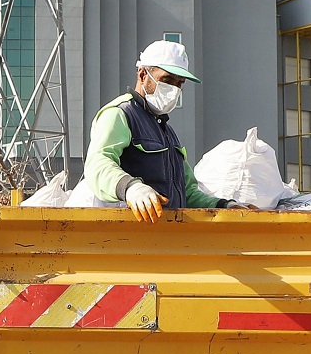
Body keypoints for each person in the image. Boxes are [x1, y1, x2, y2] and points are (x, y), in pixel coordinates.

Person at [79, 39, 254, 220]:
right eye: (167, 80)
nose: (174, 89)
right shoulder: (120, 114)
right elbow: (97, 165)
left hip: (167, 236)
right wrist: (131, 188)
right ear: (142, 75)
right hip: (129, 233)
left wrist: (223, 205)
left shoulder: (167, 132)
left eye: (179, 83)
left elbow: (187, 192)